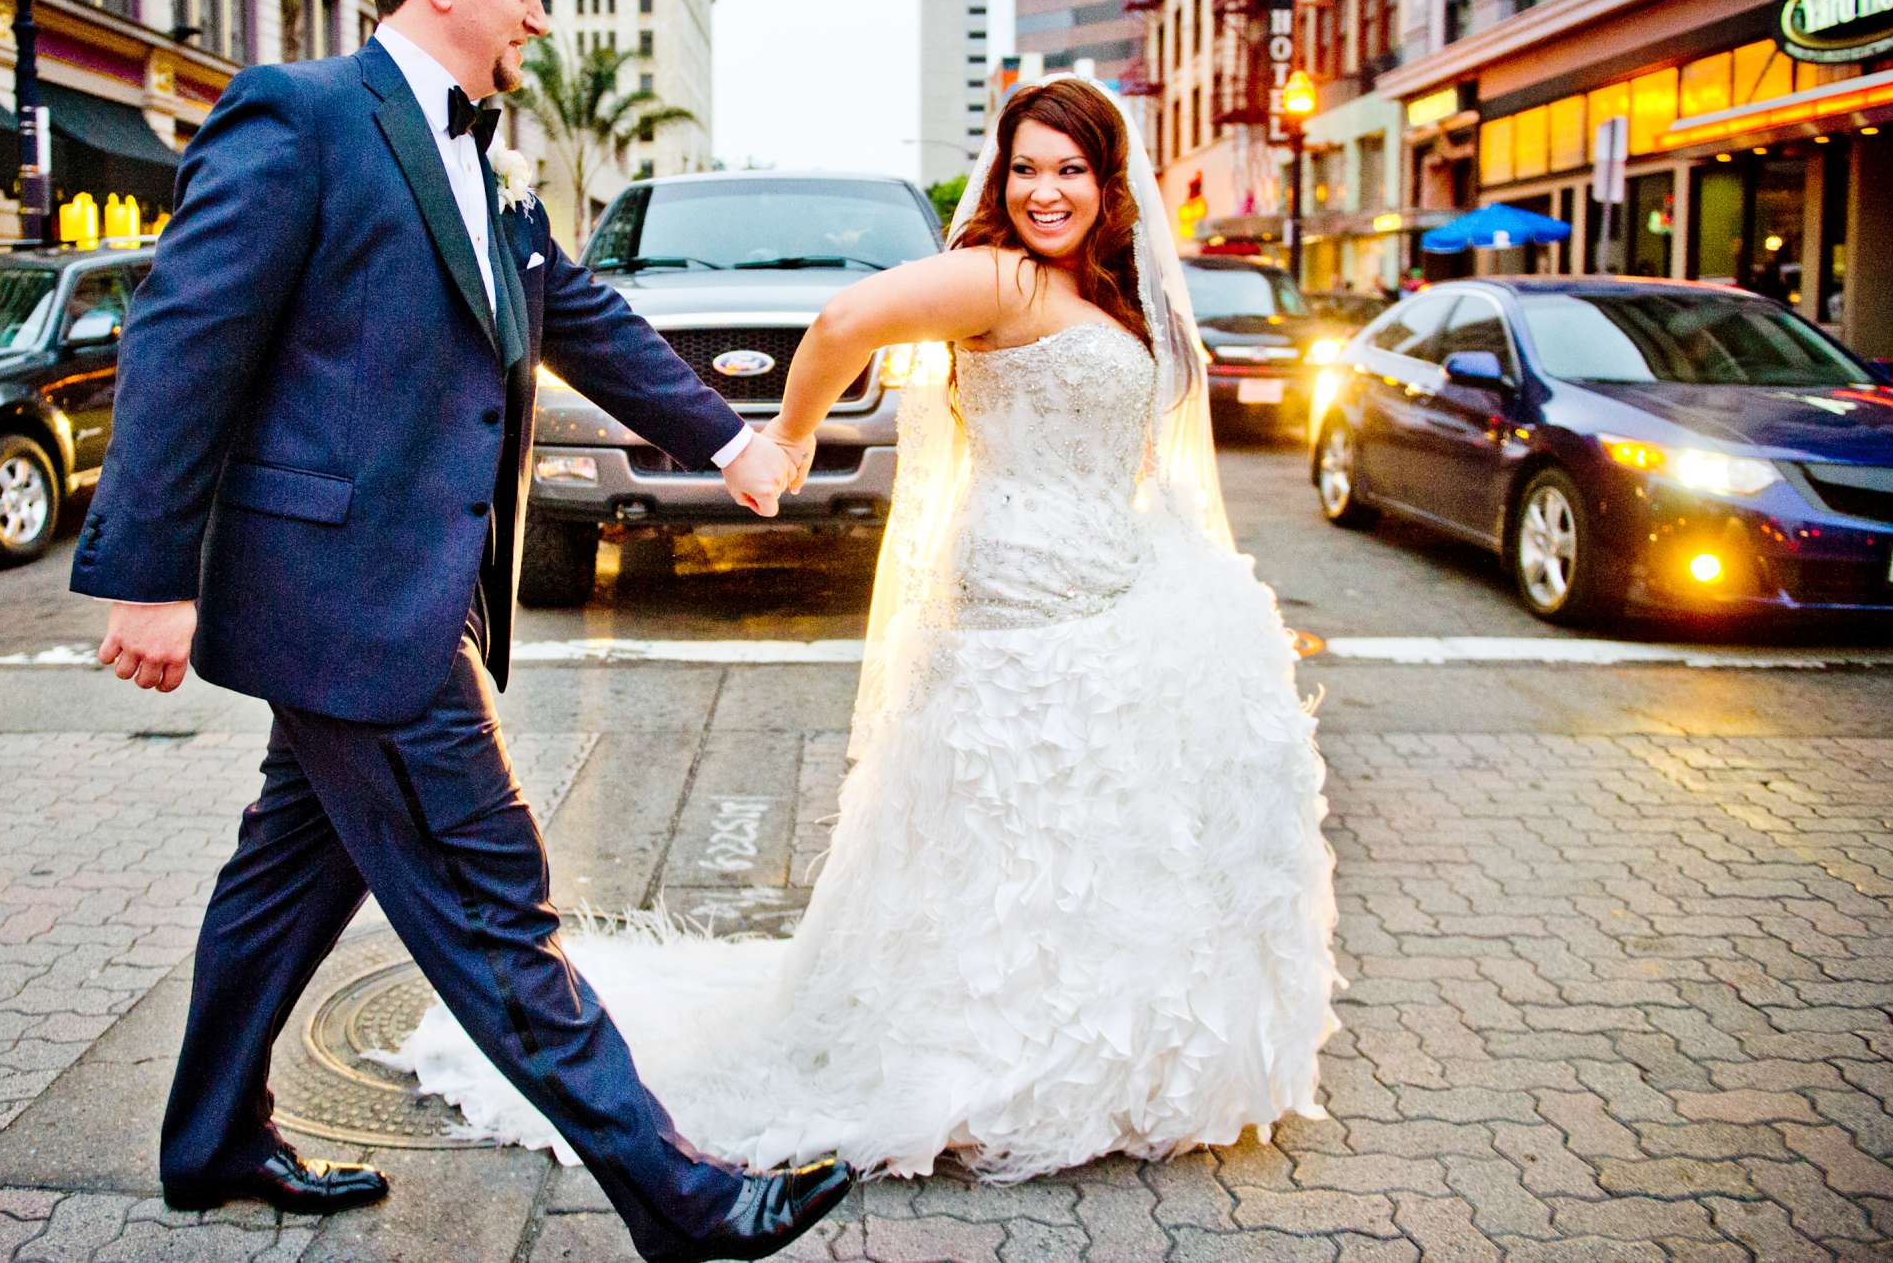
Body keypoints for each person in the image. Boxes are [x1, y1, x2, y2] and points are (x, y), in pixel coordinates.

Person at [73, 0, 850, 1263]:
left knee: (288, 874)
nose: (539, 17)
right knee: (494, 897)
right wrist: (146, 574)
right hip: (352, 597)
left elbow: (585, 322)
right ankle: (686, 1200)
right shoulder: (300, 117)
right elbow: (181, 339)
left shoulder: (483, 167)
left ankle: (209, 1143)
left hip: (383, 598)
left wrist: (730, 438)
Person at [382, 77, 1343, 1181]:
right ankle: (988, 1053)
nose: (1045, 190)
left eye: (1070, 169)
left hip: (1115, 589)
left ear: (1108, 182)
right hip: (1020, 598)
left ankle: (1098, 1047)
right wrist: (787, 440)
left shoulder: (1114, 292)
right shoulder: (1000, 276)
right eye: (1025, 167)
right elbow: (842, 321)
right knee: (1010, 830)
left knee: (1090, 838)